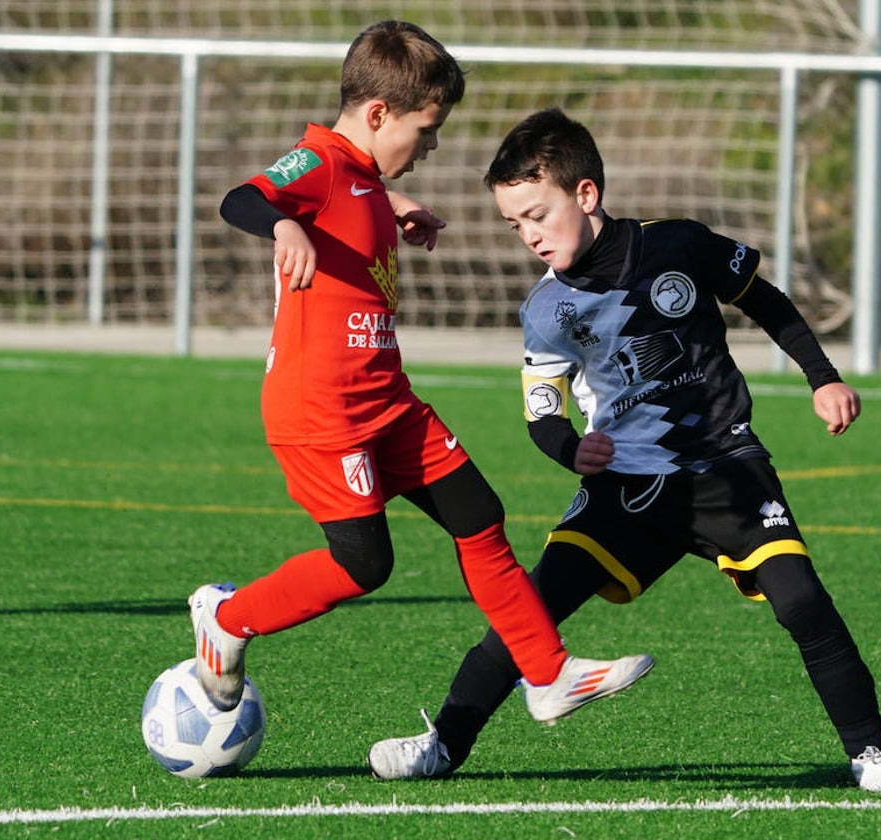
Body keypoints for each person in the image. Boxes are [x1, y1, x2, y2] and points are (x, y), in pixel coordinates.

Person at [366, 108, 881, 793]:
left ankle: (872, 753)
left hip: (725, 467)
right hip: (627, 484)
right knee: (530, 610)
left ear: (586, 195)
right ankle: (443, 744)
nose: (530, 236)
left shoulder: (677, 246)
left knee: (802, 601)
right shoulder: (545, 308)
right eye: (515, 225)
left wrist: (822, 377)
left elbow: (765, 299)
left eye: (537, 214)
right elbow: (541, 412)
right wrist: (572, 450)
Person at [193, 27, 654, 731]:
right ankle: (226, 620)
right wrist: (285, 229)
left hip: (387, 400)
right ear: (377, 114)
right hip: (322, 411)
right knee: (364, 563)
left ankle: (547, 674)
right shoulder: (318, 158)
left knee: (477, 512)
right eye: (426, 129)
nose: (431, 146)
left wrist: (391, 207)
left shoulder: (362, 178)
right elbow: (244, 200)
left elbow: (352, 199)